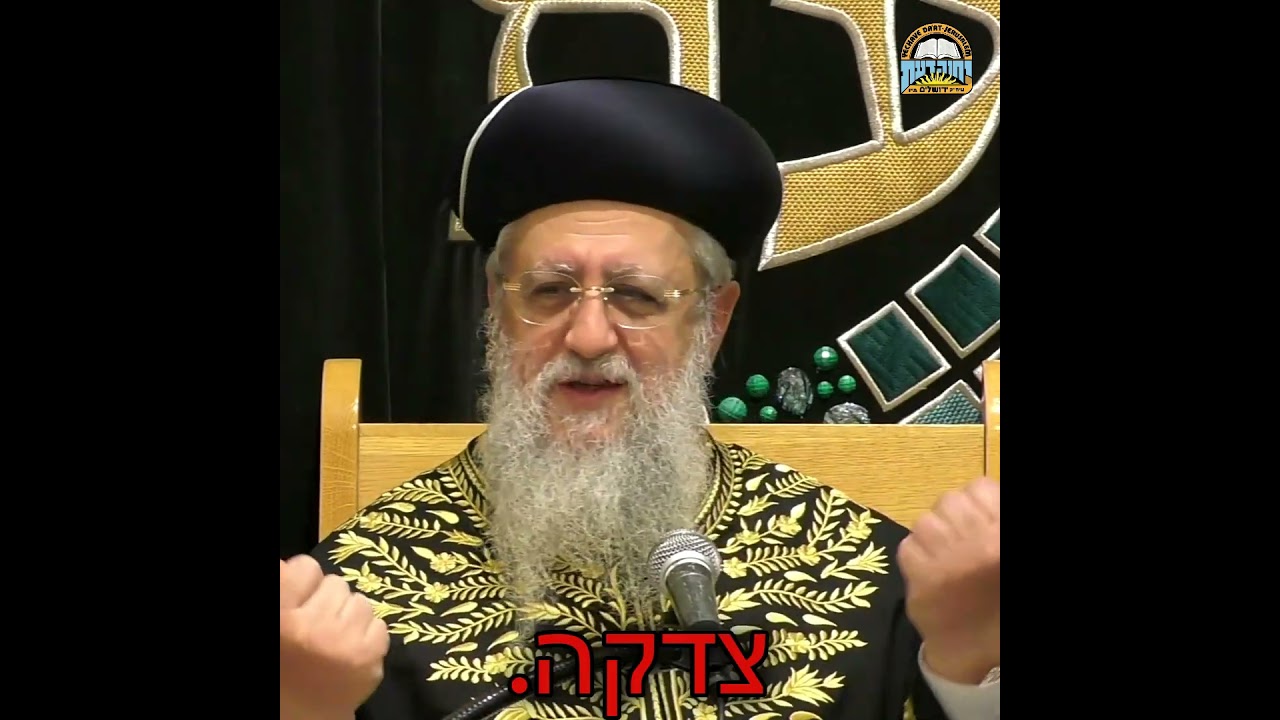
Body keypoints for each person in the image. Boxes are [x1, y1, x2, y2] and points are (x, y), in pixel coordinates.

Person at [280, 77, 1000, 720]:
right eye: (550, 291)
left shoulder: (872, 579)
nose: (589, 336)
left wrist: (964, 671)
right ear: (498, 310)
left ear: (711, 322)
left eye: (637, 296)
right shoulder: (360, 594)